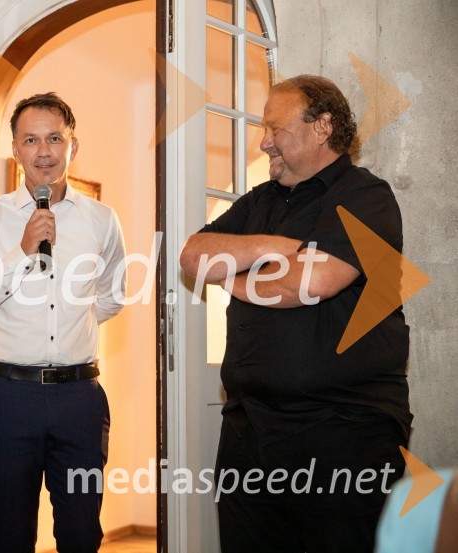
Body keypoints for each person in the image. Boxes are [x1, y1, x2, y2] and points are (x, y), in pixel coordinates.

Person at [180, 75, 412, 553]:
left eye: (274, 128)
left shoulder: (366, 196)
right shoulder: (259, 201)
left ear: (322, 126)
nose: (264, 141)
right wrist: (274, 246)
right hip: (249, 433)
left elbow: (313, 282)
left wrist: (235, 279)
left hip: (343, 434)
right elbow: (192, 255)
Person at [0, 92, 126, 553]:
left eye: (54, 138)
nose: (44, 151)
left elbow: (111, 297)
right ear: (16, 149)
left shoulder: (103, 220)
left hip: (79, 399)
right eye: (31, 140)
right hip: (8, 398)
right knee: (11, 535)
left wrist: (73, 331)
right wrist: (22, 252)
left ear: (73, 146)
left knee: (82, 533)